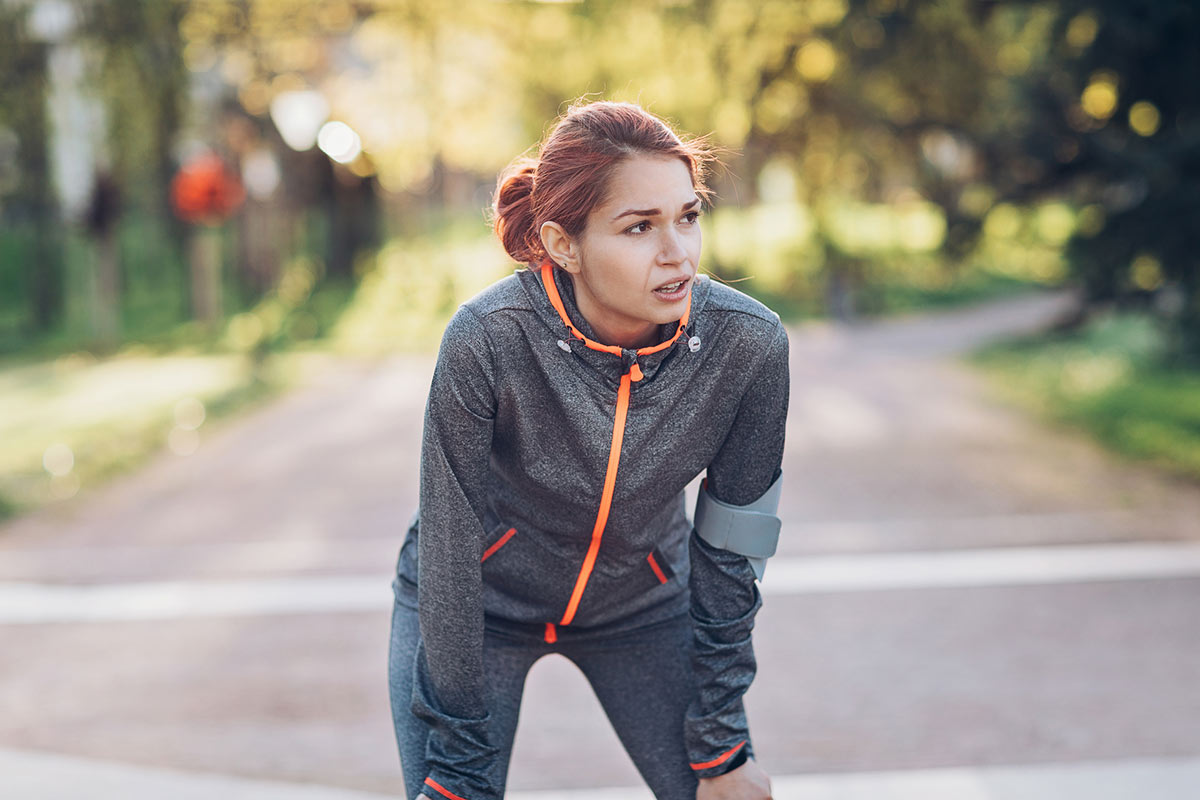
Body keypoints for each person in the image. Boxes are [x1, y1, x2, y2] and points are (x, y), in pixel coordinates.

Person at [388, 99, 787, 800]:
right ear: (564, 244)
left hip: (643, 605)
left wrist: (721, 739)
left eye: (688, 216)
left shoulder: (746, 345)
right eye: (639, 227)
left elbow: (733, 549)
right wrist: (456, 770)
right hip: (481, 610)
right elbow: (449, 554)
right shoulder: (489, 339)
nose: (678, 254)